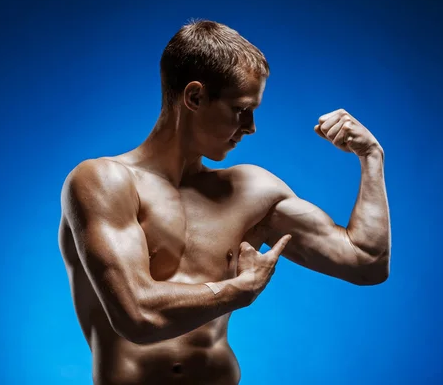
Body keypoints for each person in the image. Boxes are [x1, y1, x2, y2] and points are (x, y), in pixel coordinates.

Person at [58, 19, 391, 385]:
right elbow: (138, 316)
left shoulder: (249, 190)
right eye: (240, 109)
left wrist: (371, 157)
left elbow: (366, 263)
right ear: (195, 97)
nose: (251, 126)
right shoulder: (104, 182)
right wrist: (237, 290)